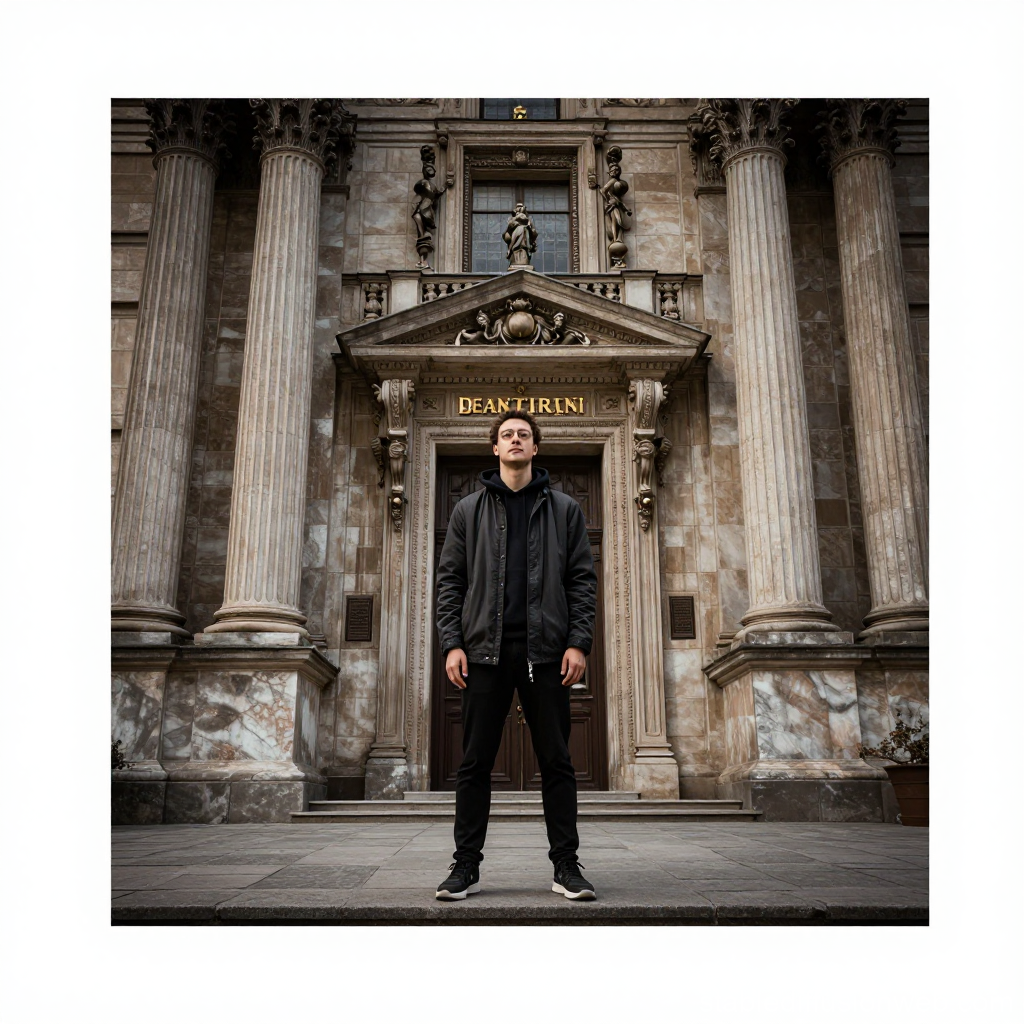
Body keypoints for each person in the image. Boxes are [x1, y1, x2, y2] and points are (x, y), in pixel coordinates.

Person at [434, 410, 599, 901]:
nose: (515, 441)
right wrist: (452, 643)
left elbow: (581, 582)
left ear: (534, 448)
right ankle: (465, 867)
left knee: (558, 762)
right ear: (495, 448)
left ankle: (566, 867)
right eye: (507, 435)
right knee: (474, 764)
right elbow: (450, 582)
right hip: (483, 653)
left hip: (545, 654)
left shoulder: (565, 509)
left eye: (523, 435)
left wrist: (578, 641)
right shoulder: (467, 510)